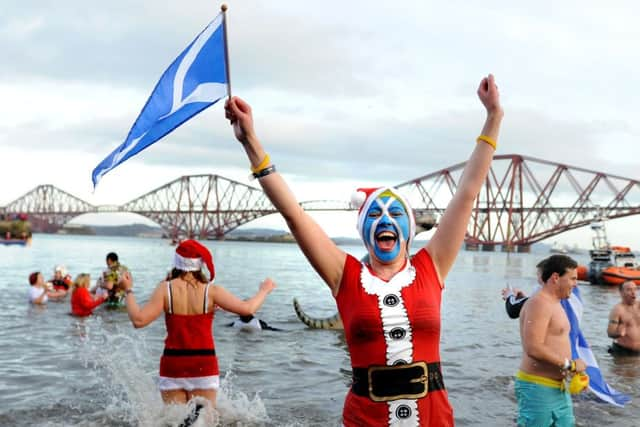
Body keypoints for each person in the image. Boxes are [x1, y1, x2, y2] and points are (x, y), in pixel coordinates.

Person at [225, 74, 503, 426]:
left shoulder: (432, 265)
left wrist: (493, 116)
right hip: (364, 419)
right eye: (374, 213)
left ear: (409, 229)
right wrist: (250, 141)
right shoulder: (345, 275)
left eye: (395, 213)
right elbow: (294, 214)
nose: (385, 219)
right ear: (364, 231)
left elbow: (467, 192)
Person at [120, 239, 276, 409]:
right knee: (204, 421)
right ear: (199, 265)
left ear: (177, 262)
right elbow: (247, 309)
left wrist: (128, 289)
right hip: (204, 363)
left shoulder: (165, 289)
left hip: (173, 364)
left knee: (174, 421)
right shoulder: (211, 291)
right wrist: (264, 290)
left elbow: (138, 320)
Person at [516, 254, 586, 427]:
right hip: (537, 388)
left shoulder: (556, 303)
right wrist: (570, 365)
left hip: (559, 388)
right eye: (572, 279)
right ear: (556, 277)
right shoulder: (539, 303)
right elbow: (533, 348)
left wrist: (574, 371)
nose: (576, 284)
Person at [607, 280, 640, 356]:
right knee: (623, 367)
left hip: (638, 355)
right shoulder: (617, 310)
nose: (633, 292)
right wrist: (618, 333)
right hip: (623, 353)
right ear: (621, 293)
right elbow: (610, 333)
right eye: (629, 290)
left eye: (635, 289)